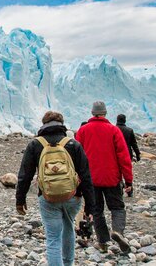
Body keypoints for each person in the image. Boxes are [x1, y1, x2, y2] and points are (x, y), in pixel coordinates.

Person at [15, 111, 95, 266]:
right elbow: (85, 176)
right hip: (73, 196)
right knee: (68, 227)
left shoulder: (35, 144)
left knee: (53, 237)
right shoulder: (73, 144)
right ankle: (68, 263)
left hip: (48, 197)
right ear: (61, 124)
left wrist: (20, 199)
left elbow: (25, 175)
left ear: (44, 124)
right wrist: (90, 206)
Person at [75, 101, 134, 254]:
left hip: (90, 179)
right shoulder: (113, 130)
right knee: (117, 207)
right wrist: (128, 180)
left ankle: (103, 242)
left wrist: (78, 179)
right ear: (105, 113)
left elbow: (76, 156)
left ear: (92, 113)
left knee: (97, 211)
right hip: (111, 178)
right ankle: (118, 232)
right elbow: (124, 157)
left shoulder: (83, 131)